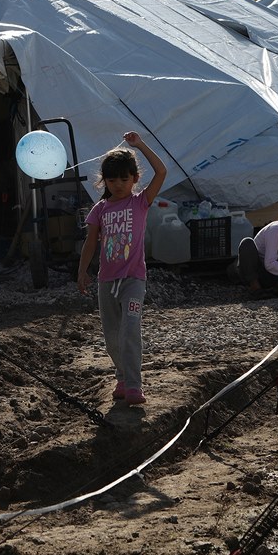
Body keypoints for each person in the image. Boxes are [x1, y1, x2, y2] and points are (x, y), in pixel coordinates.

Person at [77, 132, 167, 405]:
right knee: (112, 337)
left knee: (130, 328)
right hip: (106, 282)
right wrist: (82, 272)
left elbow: (161, 171)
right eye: (112, 179)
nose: (118, 184)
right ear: (105, 181)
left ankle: (134, 385)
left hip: (133, 280)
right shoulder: (100, 210)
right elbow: (90, 244)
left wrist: (139, 145)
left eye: (124, 179)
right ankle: (121, 377)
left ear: (134, 179)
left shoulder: (140, 202)